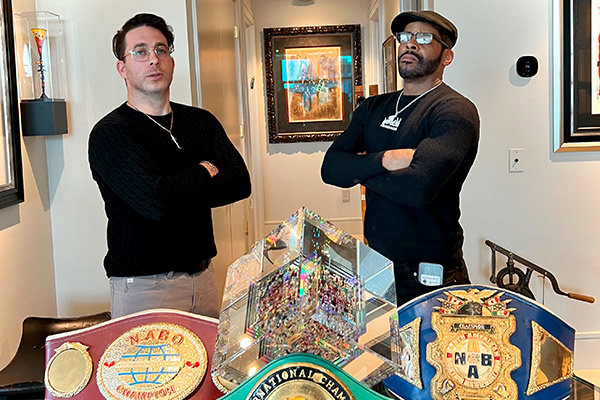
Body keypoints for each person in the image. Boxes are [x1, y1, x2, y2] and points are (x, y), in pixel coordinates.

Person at [88, 13, 251, 318]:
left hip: (203, 279)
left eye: (161, 50)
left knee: (206, 365)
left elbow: (240, 182)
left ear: (172, 61)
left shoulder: (201, 121)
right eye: (140, 51)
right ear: (122, 68)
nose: (153, 60)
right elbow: (157, 202)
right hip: (144, 287)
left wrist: (170, 186)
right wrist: (205, 168)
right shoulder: (111, 133)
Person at [321, 11, 479, 306]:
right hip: (376, 266)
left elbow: (417, 189)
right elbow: (331, 168)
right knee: (380, 353)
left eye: (424, 38)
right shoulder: (373, 108)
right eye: (405, 37)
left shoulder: (453, 111)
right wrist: (386, 159)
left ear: (447, 57)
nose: (410, 45)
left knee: (425, 353)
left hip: (430, 275)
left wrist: (359, 168)